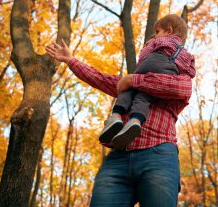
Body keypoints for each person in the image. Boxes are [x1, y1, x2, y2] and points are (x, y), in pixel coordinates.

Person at [45, 14, 195, 207]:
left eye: (156, 35)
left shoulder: (179, 74)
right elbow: (101, 78)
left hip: (159, 154)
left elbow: (181, 89)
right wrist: (71, 60)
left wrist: (133, 80)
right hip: (118, 156)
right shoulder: (128, 85)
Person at [99, 15, 196, 150]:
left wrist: (141, 64)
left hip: (153, 62)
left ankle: (115, 116)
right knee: (145, 95)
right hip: (169, 71)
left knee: (130, 88)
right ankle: (135, 120)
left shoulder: (159, 42)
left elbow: (145, 54)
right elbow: (191, 71)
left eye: (157, 32)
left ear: (168, 31)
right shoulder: (185, 53)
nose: (156, 36)